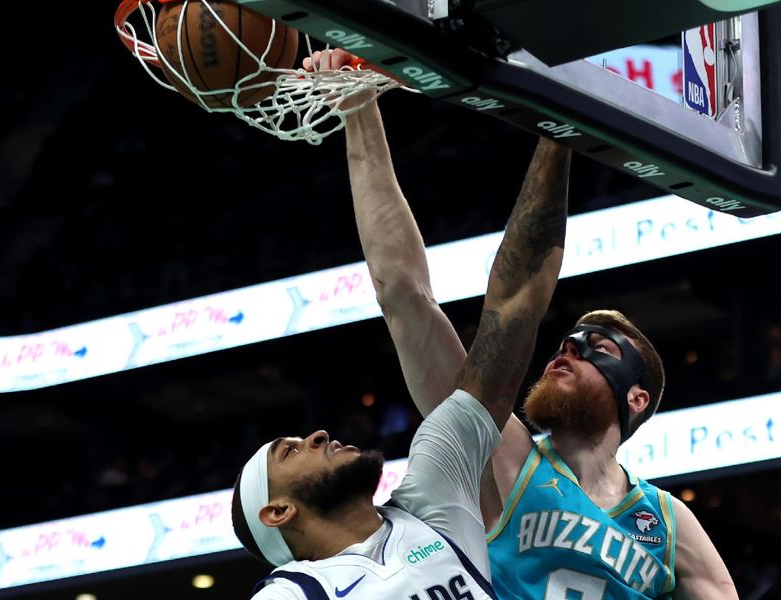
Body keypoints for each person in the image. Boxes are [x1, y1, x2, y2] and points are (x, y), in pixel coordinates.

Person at [327, 45, 739, 599]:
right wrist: (359, 111)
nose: (567, 349)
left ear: (637, 398)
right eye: (567, 341)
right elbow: (404, 295)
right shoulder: (502, 453)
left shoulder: (667, 524)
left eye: (598, 348)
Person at [228, 51, 570, 600]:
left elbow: (514, 307)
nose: (315, 434)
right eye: (290, 451)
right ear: (278, 511)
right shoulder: (292, 593)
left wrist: (560, 129)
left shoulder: (435, 496)